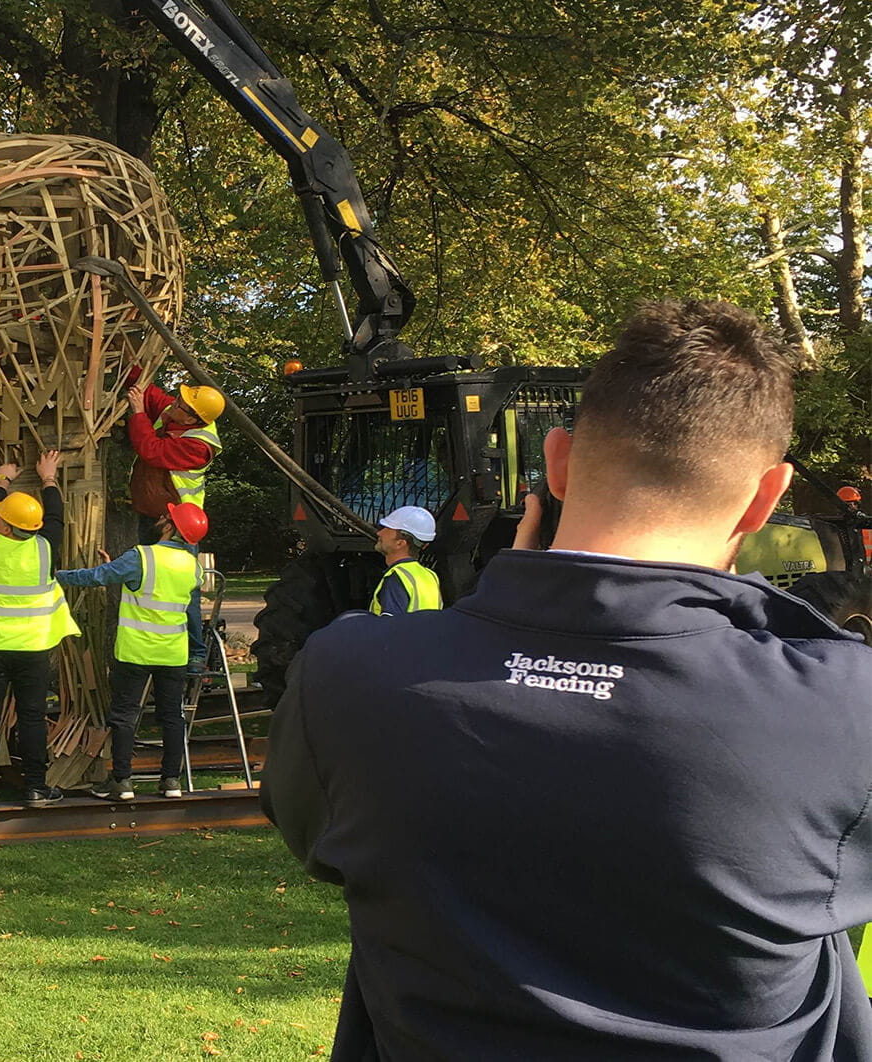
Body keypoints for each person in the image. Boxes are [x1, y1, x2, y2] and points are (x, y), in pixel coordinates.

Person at [261, 300, 872, 1057]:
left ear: (555, 461)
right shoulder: (843, 709)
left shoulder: (344, 678)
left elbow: (318, 842)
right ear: (765, 497)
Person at [57, 502, 207, 801]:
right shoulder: (193, 567)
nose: (162, 516)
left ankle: (122, 782)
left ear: (170, 527)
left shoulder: (142, 556)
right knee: (172, 717)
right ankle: (171, 782)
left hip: (135, 652)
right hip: (172, 653)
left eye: (167, 516)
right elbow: (173, 600)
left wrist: (58, 576)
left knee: (125, 716)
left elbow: (98, 577)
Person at [0, 449, 80, 810]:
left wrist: (3, 478)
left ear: (8, 527)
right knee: (31, 718)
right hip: (34, 649)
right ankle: (36, 788)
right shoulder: (45, 547)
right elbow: (55, 515)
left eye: (1, 518)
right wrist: (49, 478)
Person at [126, 375, 224, 521]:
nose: (173, 403)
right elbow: (150, 393)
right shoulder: (178, 413)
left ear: (191, 419)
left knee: (165, 545)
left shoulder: (198, 446)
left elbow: (152, 450)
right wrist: (131, 367)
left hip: (176, 519)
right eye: (179, 398)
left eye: (179, 403)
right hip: (156, 509)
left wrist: (139, 413)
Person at [369, 505, 442, 615]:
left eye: (387, 529)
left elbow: (391, 628)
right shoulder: (431, 576)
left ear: (400, 543)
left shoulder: (397, 577)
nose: (379, 533)